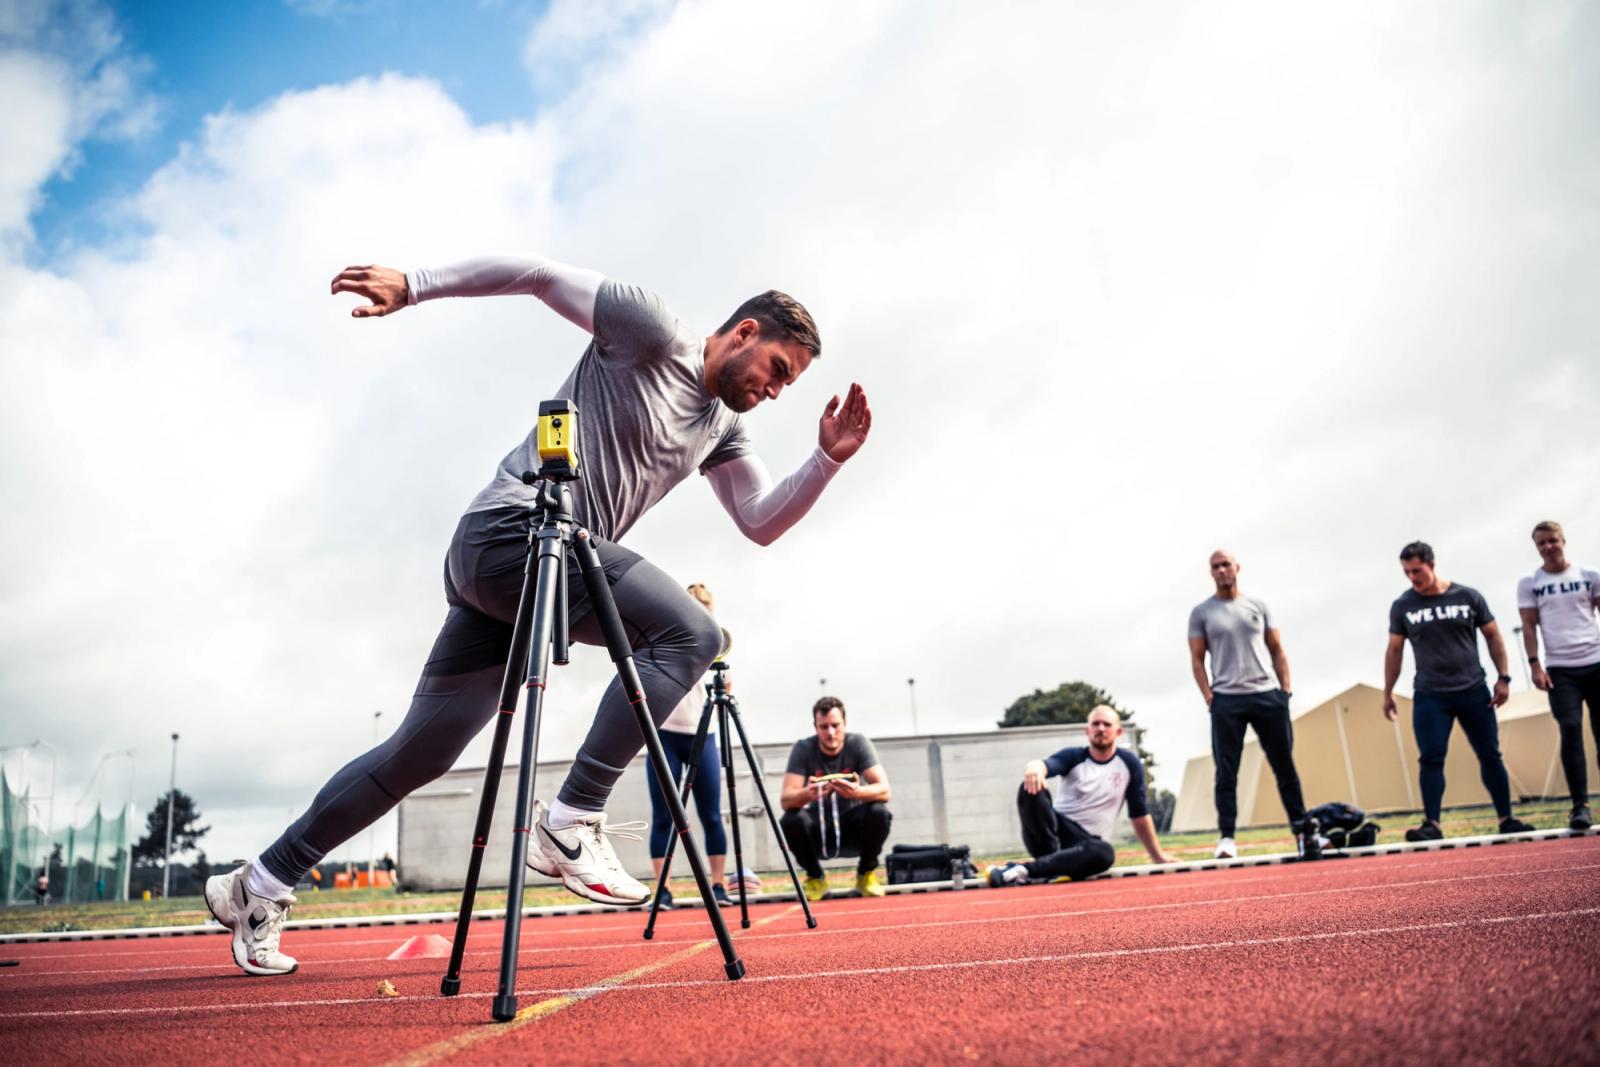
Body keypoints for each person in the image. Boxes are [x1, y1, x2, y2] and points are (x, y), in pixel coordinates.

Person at [205, 253, 872, 976]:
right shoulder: (652, 331)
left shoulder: (722, 429)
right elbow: (536, 276)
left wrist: (826, 462)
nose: (775, 391)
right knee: (692, 633)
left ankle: (259, 883)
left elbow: (760, 520)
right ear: (744, 332)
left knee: (419, 754)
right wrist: (414, 285)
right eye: (777, 369)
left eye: (788, 384)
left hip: (537, 580)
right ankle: (570, 819)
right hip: (512, 533)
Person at [1383, 541, 1535, 841]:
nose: (1412, 578)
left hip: (1472, 689)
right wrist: (1387, 692)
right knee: (1431, 758)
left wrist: (1504, 678)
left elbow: (1493, 636)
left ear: (1431, 564)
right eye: (1407, 572)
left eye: (1416, 571)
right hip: (1430, 694)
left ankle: (1506, 819)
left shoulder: (1467, 596)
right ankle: (1432, 825)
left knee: (1490, 754)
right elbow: (1394, 650)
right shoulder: (1403, 605)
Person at [1188, 550, 1310, 859]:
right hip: (1226, 700)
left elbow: (1277, 649)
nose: (1222, 570)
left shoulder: (1258, 605)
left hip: (1266, 695)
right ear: (1211, 572)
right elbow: (1197, 660)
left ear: (1237, 567)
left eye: (1226, 564)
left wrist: (1285, 691)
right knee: (1226, 772)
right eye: (1216, 566)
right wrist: (1209, 696)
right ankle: (1227, 838)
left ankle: (1302, 830)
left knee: (1284, 766)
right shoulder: (1202, 612)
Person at [987, 705, 1176, 887]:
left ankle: (1021, 870)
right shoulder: (1073, 756)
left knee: (1104, 852)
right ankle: (1051, 866)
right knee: (1030, 788)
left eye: (1106, 724)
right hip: (1051, 836)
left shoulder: (1129, 764)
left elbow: (1139, 813)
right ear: (1087, 730)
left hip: (1086, 844)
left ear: (1118, 732)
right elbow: (1047, 765)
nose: (1100, 728)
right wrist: (1034, 768)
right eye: (1096, 724)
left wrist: (1157, 856)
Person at [645, 583, 732, 909]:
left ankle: (718, 885)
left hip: (702, 735)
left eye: (706, 605)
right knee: (664, 817)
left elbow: (724, 684)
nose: (701, 610)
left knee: (711, 815)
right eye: (695, 604)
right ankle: (663, 890)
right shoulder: (670, 636)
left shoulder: (718, 644)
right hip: (665, 734)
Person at [1517, 520, 1600, 830]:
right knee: (1570, 728)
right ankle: (1580, 805)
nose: (1548, 547)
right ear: (1537, 547)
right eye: (1542, 543)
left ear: (1563, 540)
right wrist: (1534, 664)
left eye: (1552, 540)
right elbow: (1528, 625)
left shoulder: (1589, 575)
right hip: (1560, 668)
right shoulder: (1530, 583)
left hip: (1595, 660)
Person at [779, 697, 892, 901]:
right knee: (791, 819)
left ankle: (865, 874)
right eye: (824, 727)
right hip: (819, 830)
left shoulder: (858, 743)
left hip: (852, 827)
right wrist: (809, 793)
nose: (830, 733)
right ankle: (815, 877)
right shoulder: (803, 748)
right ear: (815, 727)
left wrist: (856, 792)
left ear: (845, 724)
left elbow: (885, 791)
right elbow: (786, 800)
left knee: (879, 811)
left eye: (835, 725)